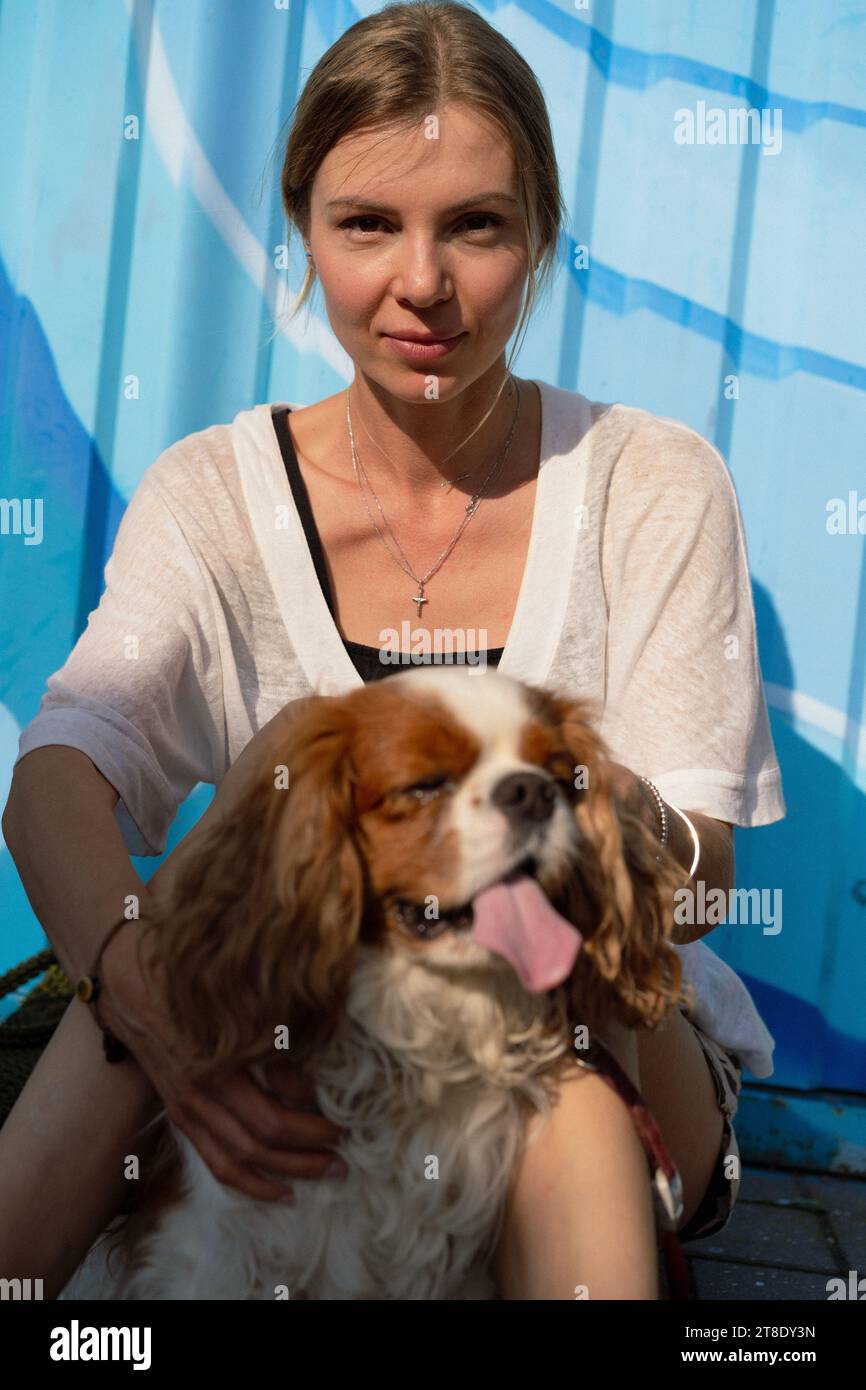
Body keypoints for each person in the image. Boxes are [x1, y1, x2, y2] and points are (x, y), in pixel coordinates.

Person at [0, 0, 784, 1300]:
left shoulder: (655, 479)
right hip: (310, 999)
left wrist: (583, 825)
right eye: (368, 223)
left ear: (538, 238)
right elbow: (59, 773)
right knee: (190, 904)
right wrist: (141, 989)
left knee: (564, 1101)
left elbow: (703, 871)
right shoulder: (213, 490)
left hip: (584, 1012)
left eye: (475, 224)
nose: (421, 282)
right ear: (302, 227)